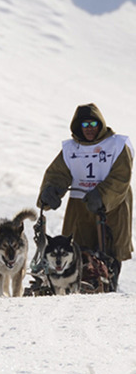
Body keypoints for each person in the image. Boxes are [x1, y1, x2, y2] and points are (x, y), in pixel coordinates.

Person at [37, 103, 134, 266]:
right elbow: (58, 173)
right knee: (76, 253)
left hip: (112, 208)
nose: (89, 128)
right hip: (80, 207)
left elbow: (121, 176)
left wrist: (102, 196)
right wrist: (50, 191)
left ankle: (109, 284)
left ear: (100, 124)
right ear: (78, 126)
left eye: (93, 124)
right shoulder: (71, 149)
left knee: (109, 255)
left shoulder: (117, 145)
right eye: (85, 124)